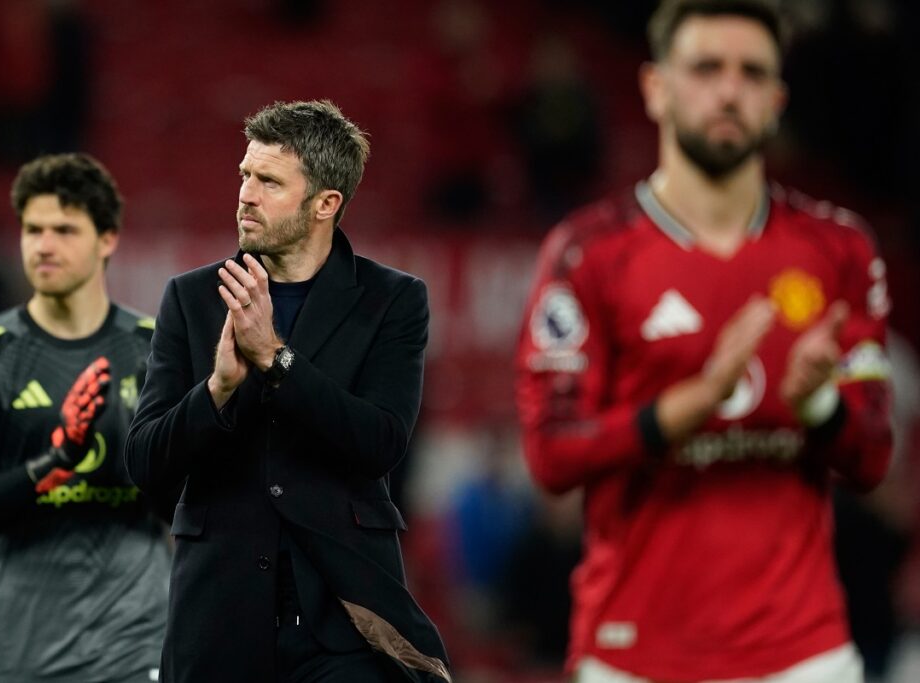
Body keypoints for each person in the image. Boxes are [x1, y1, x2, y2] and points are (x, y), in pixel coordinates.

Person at [515, 1, 893, 682]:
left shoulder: (839, 249)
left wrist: (816, 407)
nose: (729, 89)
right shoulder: (588, 254)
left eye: (752, 73)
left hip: (806, 656)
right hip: (634, 656)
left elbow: (871, 456)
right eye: (706, 68)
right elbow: (552, 451)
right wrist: (697, 400)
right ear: (656, 88)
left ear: (777, 100)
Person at [125, 100, 450, 683]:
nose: (246, 193)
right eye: (245, 175)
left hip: (344, 618)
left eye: (269, 181)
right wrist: (219, 388)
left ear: (326, 204)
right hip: (217, 620)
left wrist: (276, 359)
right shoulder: (192, 298)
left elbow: (380, 441)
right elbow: (145, 462)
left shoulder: (391, 301)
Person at [0, 153, 170, 683]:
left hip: (134, 649)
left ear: (107, 238)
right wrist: (56, 462)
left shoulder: (156, 350)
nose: (43, 245)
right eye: (32, 229)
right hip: (16, 654)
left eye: (65, 229)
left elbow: (189, 504)